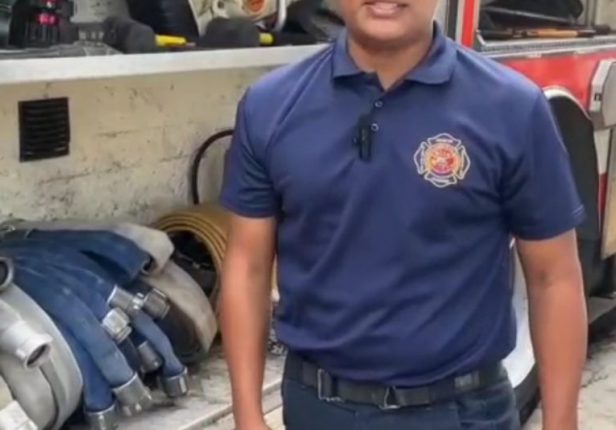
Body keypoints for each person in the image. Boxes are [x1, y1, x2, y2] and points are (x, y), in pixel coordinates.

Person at [217, 0, 589, 428]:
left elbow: (553, 276)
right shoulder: (270, 106)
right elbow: (247, 266)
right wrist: (247, 414)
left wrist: (562, 422)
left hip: (462, 413)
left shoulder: (512, 108)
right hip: (317, 409)